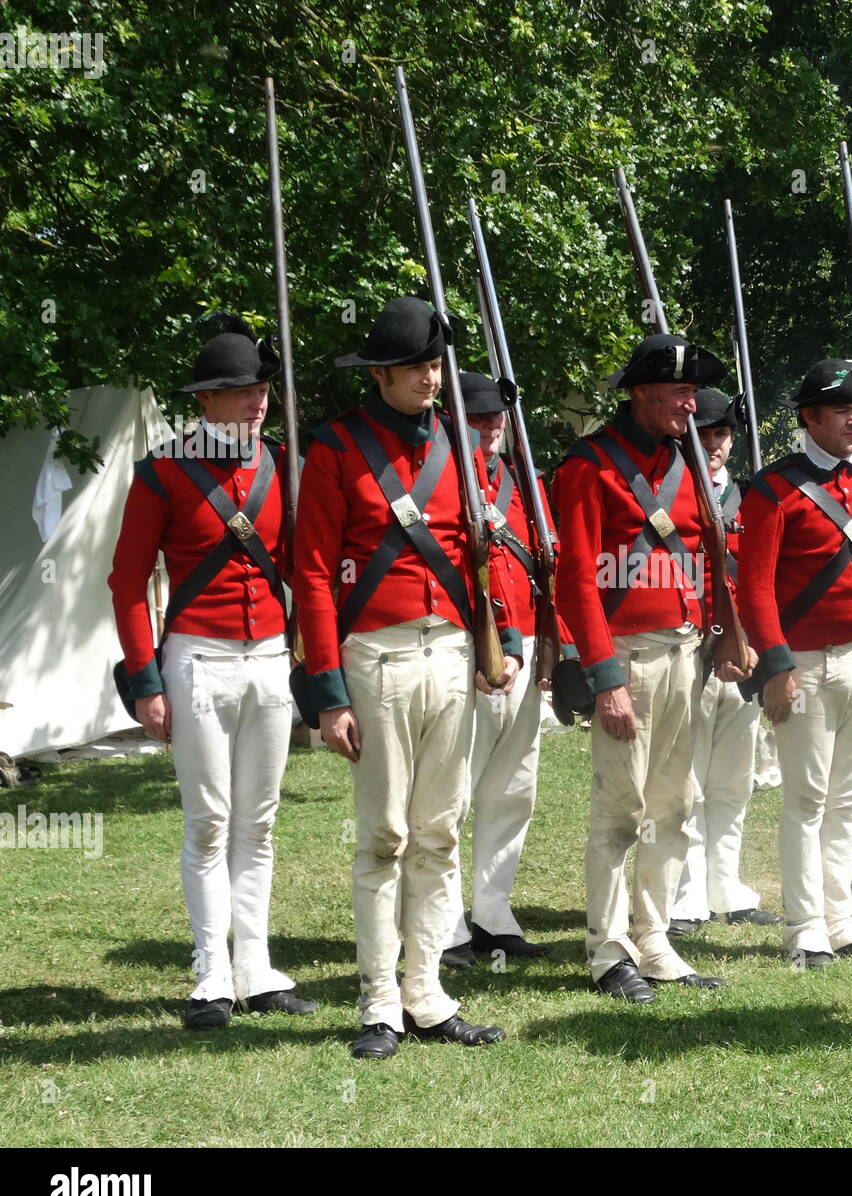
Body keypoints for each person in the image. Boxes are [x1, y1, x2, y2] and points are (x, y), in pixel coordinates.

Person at [294, 296, 520, 1059]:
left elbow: (482, 550)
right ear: (382, 372)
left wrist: (505, 637)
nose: (431, 377)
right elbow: (315, 573)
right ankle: (379, 999)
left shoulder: (460, 446)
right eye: (418, 366)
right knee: (385, 834)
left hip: (451, 650)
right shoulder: (335, 449)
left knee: (439, 831)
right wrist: (326, 692)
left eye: (437, 364)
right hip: (377, 656)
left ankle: (426, 991)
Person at [109, 315, 314, 1030]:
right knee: (209, 823)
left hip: (268, 661)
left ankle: (255, 966)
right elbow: (126, 582)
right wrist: (145, 680)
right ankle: (210, 971)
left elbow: (306, 571)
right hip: (196, 658)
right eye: (238, 390)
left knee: (258, 822)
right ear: (205, 400)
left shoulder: (286, 466)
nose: (256, 400)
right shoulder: (162, 473)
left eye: (260, 387)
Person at [552, 334, 746, 1002]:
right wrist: (606, 676)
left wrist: (722, 632)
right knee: (619, 809)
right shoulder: (589, 466)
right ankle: (608, 950)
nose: (692, 405)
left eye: (694, 392)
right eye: (678, 392)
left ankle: (654, 936)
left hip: (685, 650)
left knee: (675, 802)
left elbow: (708, 554)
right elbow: (576, 581)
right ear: (640, 393)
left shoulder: (689, 462)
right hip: (628, 654)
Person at [737, 359, 852, 968]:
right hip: (803, 664)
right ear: (810, 418)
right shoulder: (773, 490)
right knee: (806, 800)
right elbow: (754, 588)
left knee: (848, 797)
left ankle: (841, 918)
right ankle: (805, 925)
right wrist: (777, 666)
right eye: (843, 410)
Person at [440, 371, 554, 967]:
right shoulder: (445, 485)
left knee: (513, 788)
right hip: (473, 651)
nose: (488, 428)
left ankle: (492, 908)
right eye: (476, 418)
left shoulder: (522, 482)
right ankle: (444, 922)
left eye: (495, 418)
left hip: (527, 646)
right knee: (454, 791)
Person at [669, 388, 782, 936]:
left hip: (746, 651)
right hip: (692, 646)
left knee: (734, 779)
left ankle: (727, 884)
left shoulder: (750, 497)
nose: (712, 444)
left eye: (720, 435)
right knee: (687, 780)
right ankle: (685, 894)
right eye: (704, 434)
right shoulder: (675, 497)